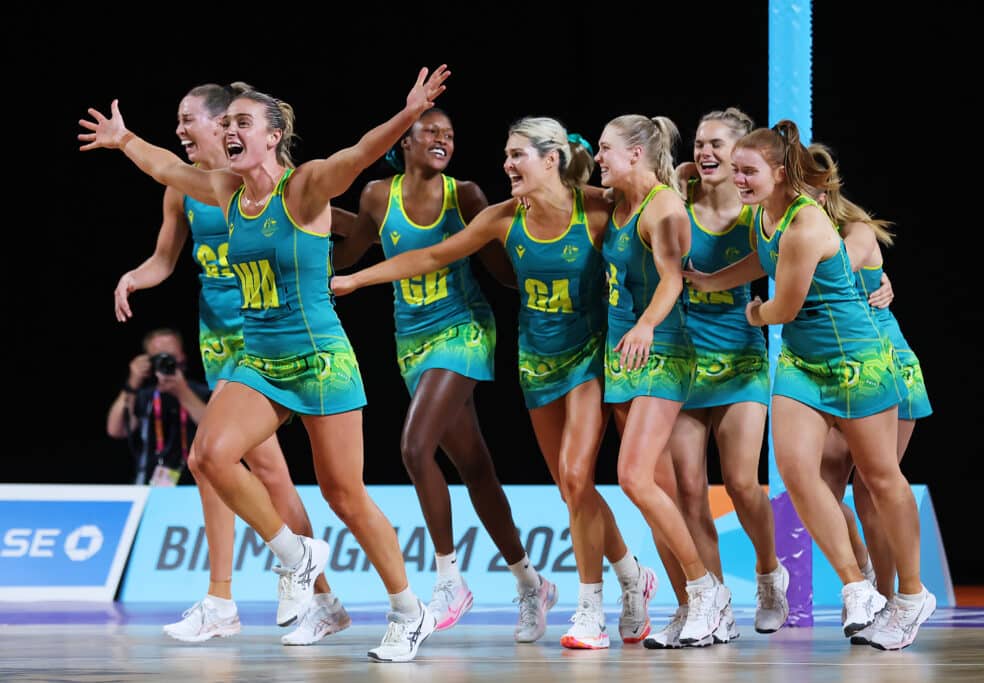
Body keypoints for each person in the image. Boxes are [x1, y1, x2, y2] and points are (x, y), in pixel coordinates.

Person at [80, 64, 451, 663]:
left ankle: (410, 609)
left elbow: (357, 155)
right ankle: (297, 556)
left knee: (343, 494)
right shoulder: (226, 190)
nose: (230, 131)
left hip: (319, 360)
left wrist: (408, 115)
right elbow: (169, 168)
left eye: (242, 123)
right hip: (258, 359)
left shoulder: (302, 188)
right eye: (226, 123)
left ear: (272, 136)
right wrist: (125, 141)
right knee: (208, 456)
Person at [331, 116, 657, 651]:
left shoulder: (597, 208)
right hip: (532, 360)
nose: (505, 164)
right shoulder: (502, 217)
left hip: (583, 356)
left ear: (551, 159)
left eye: (516, 155)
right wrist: (355, 277)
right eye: (505, 155)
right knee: (562, 484)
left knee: (569, 473)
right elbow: (432, 254)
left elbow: (652, 209)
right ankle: (623, 575)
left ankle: (586, 608)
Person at [111, 82, 349, 646]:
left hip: (267, 339)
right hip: (217, 339)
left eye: (186, 118)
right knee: (222, 467)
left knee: (246, 468)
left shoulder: (268, 180)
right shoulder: (186, 190)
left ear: (222, 125)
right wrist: (134, 277)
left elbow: (328, 224)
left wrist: (337, 275)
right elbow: (165, 259)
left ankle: (275, 594)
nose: (180, 130)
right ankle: (284, 598)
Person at [684, 120, 934, 650]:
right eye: (736, 171)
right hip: (801, 361)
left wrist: (752, 313)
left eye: (748, 172)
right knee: (797, 474)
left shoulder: (806, 224)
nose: (740, 180)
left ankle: (911, 594)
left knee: (880, 478)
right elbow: (760, 260)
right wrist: (711, 280)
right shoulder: (764, 218)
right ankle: (857, 586)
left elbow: (783, 307)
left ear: (779, 173)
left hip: (854, 358)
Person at [331, 107, 556, 642]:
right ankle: (530, 582)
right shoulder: (377, 197)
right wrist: (302, 229)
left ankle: (449, 579)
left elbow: (503, 274)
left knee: (414, 447)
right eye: (431, 132)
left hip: (465, 330)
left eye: (449, 134)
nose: (442, 139)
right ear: (403, 141)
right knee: (476, 467)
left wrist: (534, 233)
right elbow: (353, 250)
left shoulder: (468, 195)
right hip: (410, 340)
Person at [642, 108, 786, 650]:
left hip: (743, 361)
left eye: (717, 145)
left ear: (741, 154)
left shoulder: (762, 215)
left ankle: (770, 577)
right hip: (683, 362)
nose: (705, 152)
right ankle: (714, 604)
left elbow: (827, 238)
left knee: (743, 482)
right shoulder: (676, 198)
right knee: (688, 492)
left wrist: (877, 275)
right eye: (699, 143)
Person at [594, 114, 731, 648]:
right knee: (658, 492)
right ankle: (689, 607)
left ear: (635, 154)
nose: (600, 158)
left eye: (606, 149)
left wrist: (647, 325)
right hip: (622, 357)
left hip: (662, 352)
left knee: (632, 477)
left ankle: (706, 591)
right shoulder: (617, 203)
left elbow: (673, 275)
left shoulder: (664, 207)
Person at [809, 143, 933, 647]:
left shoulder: (853, 233)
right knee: (819, 484)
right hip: (835, 371)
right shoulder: (779, 228)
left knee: (872, 487)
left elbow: (836, 266)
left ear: (821, 192)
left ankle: (899, 596)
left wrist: (880, 278)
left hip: (885, 365)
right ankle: (869, 586)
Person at [106, 327, 209, 486]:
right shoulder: (143, 396)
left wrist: (183, 393)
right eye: (159, 357)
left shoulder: (202, 393)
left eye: (171, 357)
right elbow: (116, 430)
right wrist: (133, 382)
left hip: (197, 487)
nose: (165, 362)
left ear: (182, 356)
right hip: (149, 485)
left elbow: (214, 431)